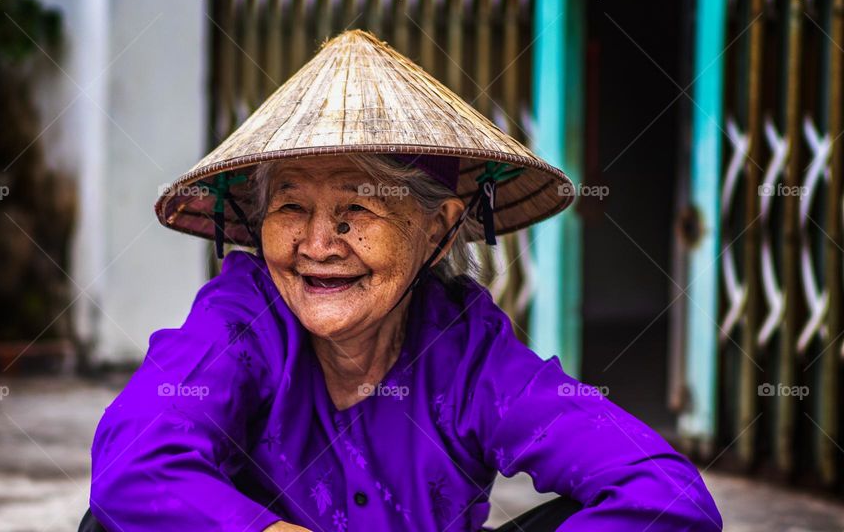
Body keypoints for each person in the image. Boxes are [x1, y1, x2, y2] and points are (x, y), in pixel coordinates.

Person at [83, 30, 723, 531]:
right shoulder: (242, 319)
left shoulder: (469, 356)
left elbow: (668, 496)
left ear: (437, 226)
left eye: (356, 208)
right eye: (290, 206)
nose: (317, 245)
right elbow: (132, 464)